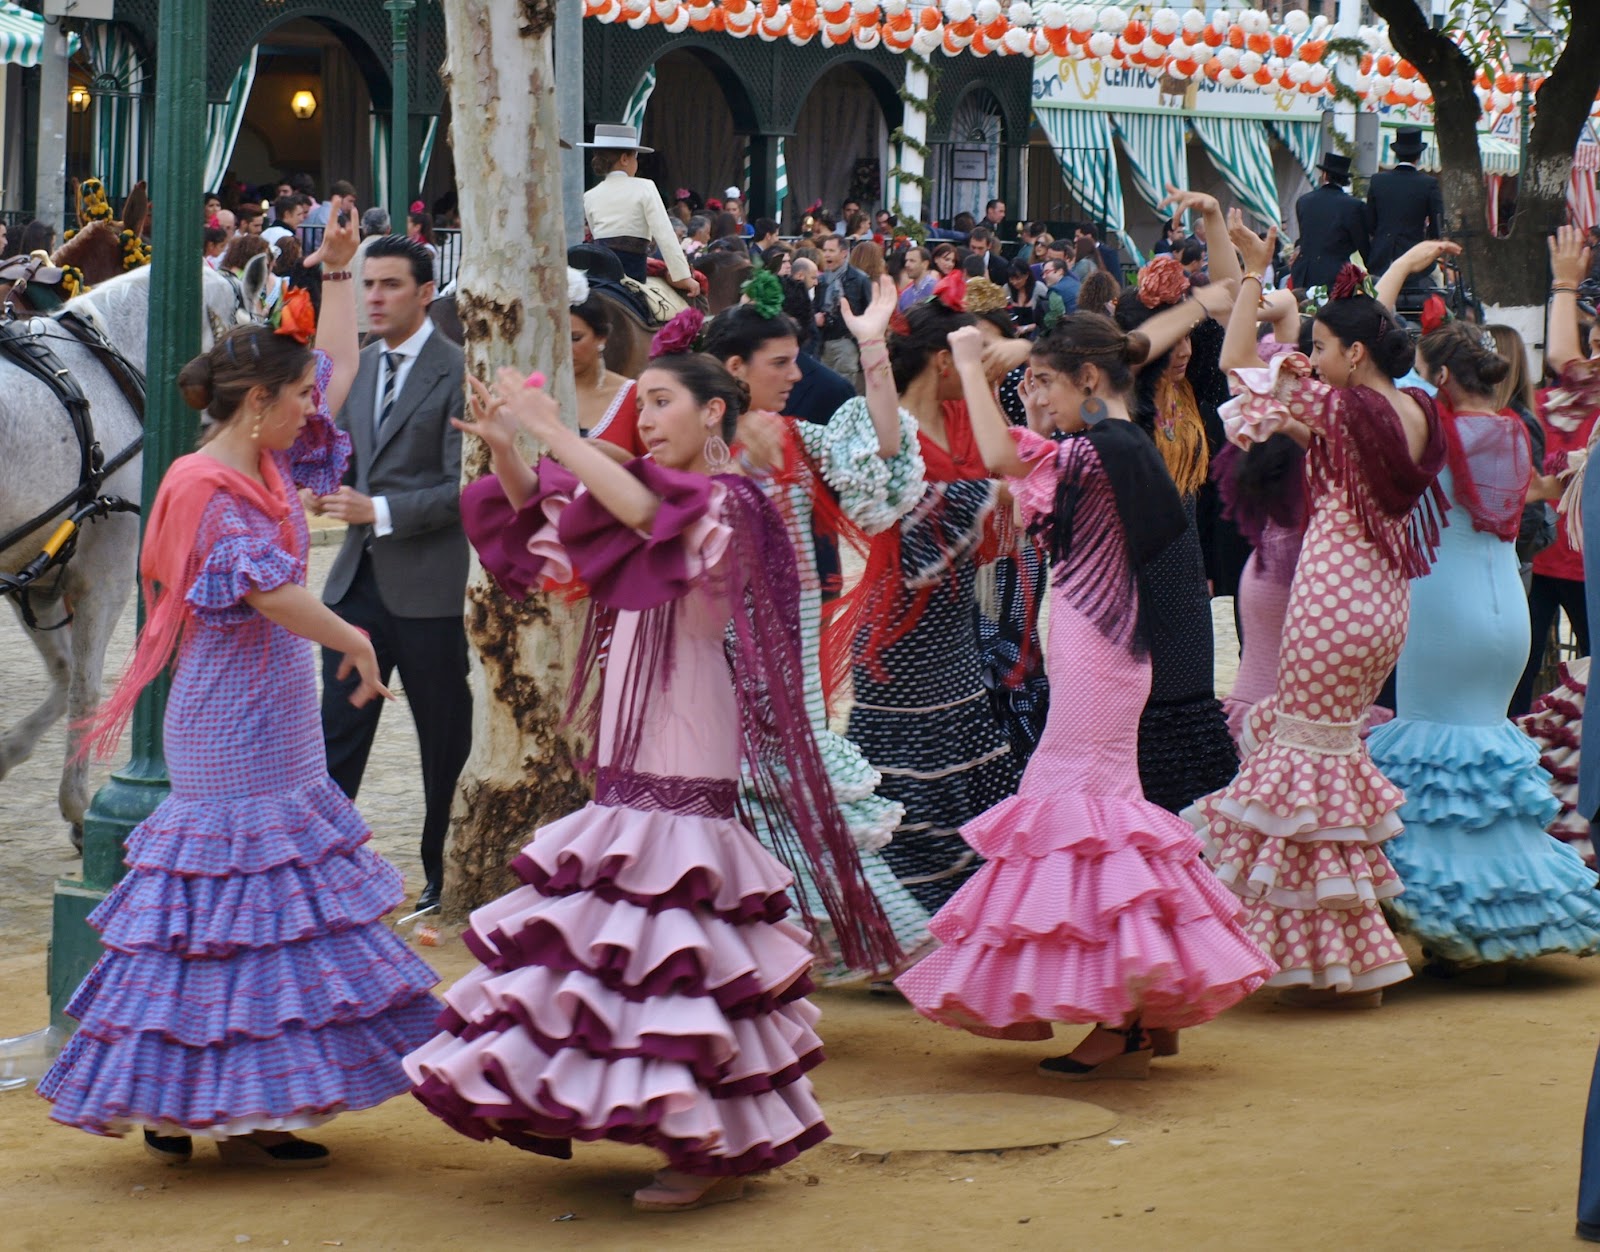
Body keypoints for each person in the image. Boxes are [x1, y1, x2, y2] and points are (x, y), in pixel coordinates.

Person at [408, 346, 898, 1212]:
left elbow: (636, 509)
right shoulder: (652, 495)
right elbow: (566, 524)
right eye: (646, 405)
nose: (648, 417)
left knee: (673, 933)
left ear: (714, 412)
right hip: (633, 739)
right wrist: (514, 452)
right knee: (634, 935)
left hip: (687, 729)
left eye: (663, 402)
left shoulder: (733, 501)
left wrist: (556, 429)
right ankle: (690, 1127)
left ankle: (701, 1143)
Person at [40, 219, 440, 1165]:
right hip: (227, 716)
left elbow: (331, 363)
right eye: (298, 398)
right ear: (257, 402)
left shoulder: (262, 460)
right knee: (219, 906)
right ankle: (188, 1101)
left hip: (275, 713)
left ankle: (244, 1100)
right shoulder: (204, 484)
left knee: (263, 909)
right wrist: (352, 637)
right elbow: (266, 590)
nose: (316, 408)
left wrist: (337, 265)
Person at [896, 315, 1273, 1075]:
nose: (1038, 396)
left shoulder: (1099, 451)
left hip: (1097, 662)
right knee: (1107, 829)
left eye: (1047, 383)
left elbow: (998, 455)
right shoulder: (1117, 445)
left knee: (1088, 826)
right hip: (1098, 656)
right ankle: (1145, 1007)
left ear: (1090, 383)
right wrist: (1022, 375)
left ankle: (1124, 1018)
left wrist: (970, 364)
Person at [1193, 214, 1449, 1008]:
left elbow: (1238, 364)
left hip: (1332, 597)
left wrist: (1254, 291)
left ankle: (1275, 950)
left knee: (1298, 774)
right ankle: (1350, 959)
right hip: (1385, 604)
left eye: (1331, 351)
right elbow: (1359, 332)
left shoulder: (1342, 413)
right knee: (1330, 769)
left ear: (1356, 353)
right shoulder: (1420, 409)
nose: (1323, 360)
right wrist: (1313, 321)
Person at [705, 282, 934, 971]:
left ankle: (832, 932)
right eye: (781, 362)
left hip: (788, 638)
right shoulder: (693, 447)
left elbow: (886, 447)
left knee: (783, 776)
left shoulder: (802, 439)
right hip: (709, 639)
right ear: (735, 370)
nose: (799, 375)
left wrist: (872, 347)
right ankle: (772, 939)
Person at [1367, 316, 1600, 975]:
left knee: (1437, 761)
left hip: (1443, 608)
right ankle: (1503, 920)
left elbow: (1377, 401)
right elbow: (1539, 494)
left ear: (1440, 374)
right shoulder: (1512, 430)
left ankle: (1448, 925)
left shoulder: (1432, 433)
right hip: (1506, 611)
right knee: (1485, 769)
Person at [823, 280, 1026, 912]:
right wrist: (991, 504)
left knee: (966, 746)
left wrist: (1011, 348)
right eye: (968, 355)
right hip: (896, 620)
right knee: (902, 759)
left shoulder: (968, 412)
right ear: (944, 360)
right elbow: (991, 496)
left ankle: (959, 908)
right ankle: (902, 917)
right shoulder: (888, 431)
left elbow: (1029, 378)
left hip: (959, 613)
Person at [311, 235, 471, 917]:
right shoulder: (361, 366)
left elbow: (466, 488)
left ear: (426, 292)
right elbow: (341, 460)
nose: (374, 297)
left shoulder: (461, 369)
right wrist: (325, 488)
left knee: (444, 742)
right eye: (367, 284)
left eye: (390, 285)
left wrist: (374, 508)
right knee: (337, 737)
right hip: (355, 588)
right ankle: (320, 873)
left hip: (433, 589)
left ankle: (442, 876)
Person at [579, 123, 697, 294]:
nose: (637, 163)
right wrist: (683, 277)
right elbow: (664, 234)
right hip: (632, 273)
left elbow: (596, 235)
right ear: (625, 159)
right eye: (635, 157)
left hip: (600, 274)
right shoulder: (645, 187)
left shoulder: (589, 195)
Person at [1366, 128, 1446, 285]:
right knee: (1438, 282)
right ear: (1419, 156)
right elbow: (1438, 223)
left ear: (1396, 154)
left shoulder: (1378, 181)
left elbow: (1370, 223)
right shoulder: (1428, 184)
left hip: (1382, 256)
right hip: (1414, 256)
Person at [568, 274, 637, 442]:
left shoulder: (633, 396)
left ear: (601, 337)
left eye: (575, 338)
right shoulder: (532, 395)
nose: (564, 350)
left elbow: (654, 466)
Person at [1291, 153, 1370, 292]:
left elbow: (1305, 236)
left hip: (1304, 273)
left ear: (1324, 174)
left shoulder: (1304, 201)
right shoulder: (1354, 206)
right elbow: (1362, 244)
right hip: (1336, 275)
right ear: (1345, 179)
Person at [817, 234, 871, 391]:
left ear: (844, 253)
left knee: (845, 388)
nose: (826, 254)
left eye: (831, 251)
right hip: (824, 341)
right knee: (824, 388)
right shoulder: (821, 280)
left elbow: (868, 311)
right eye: (825, 250)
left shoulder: (859, 279)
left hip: (847, 341)